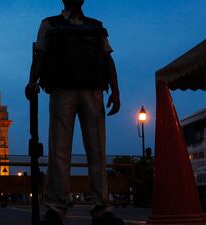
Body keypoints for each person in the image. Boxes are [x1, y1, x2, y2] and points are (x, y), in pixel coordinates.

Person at [25, 0, 122, 224]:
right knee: (60, 151)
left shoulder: (88, 26)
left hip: (88, 90)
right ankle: (60, 207)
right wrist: (32, 82)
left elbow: (108, 60)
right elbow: (39, 55)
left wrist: (115, 92)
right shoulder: (51, 24)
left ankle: (99, 208)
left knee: (95, 151)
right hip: (66, 90)